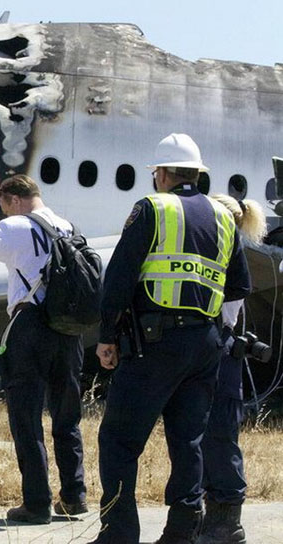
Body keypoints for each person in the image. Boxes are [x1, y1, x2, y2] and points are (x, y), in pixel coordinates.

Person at [92, 133, 251, 544]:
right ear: (197, 174)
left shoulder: (152, 208)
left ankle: (118, 533)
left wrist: (107, 335)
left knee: (119, 440)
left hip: (154, 342)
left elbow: (120, 277)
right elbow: (239, 286)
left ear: (160, 174)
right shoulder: (221, 217)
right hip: (205, 346)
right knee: (188, 442)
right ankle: (181, 531)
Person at [0, 175, 87, 524]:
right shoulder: (67, 226)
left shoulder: (16, 225)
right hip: (68, 328)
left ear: (13, 199)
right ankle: (74, 497)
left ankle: (36, 503)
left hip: (30, 326)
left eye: (2, 204)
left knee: (26, 418)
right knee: (66, 415)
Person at [197, 194, 265, 544]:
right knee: (208, 437)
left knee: (220, 438)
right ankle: (213, 516)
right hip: (214, 354)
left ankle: (226, 521)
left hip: (221, 355)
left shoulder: (226, 253)